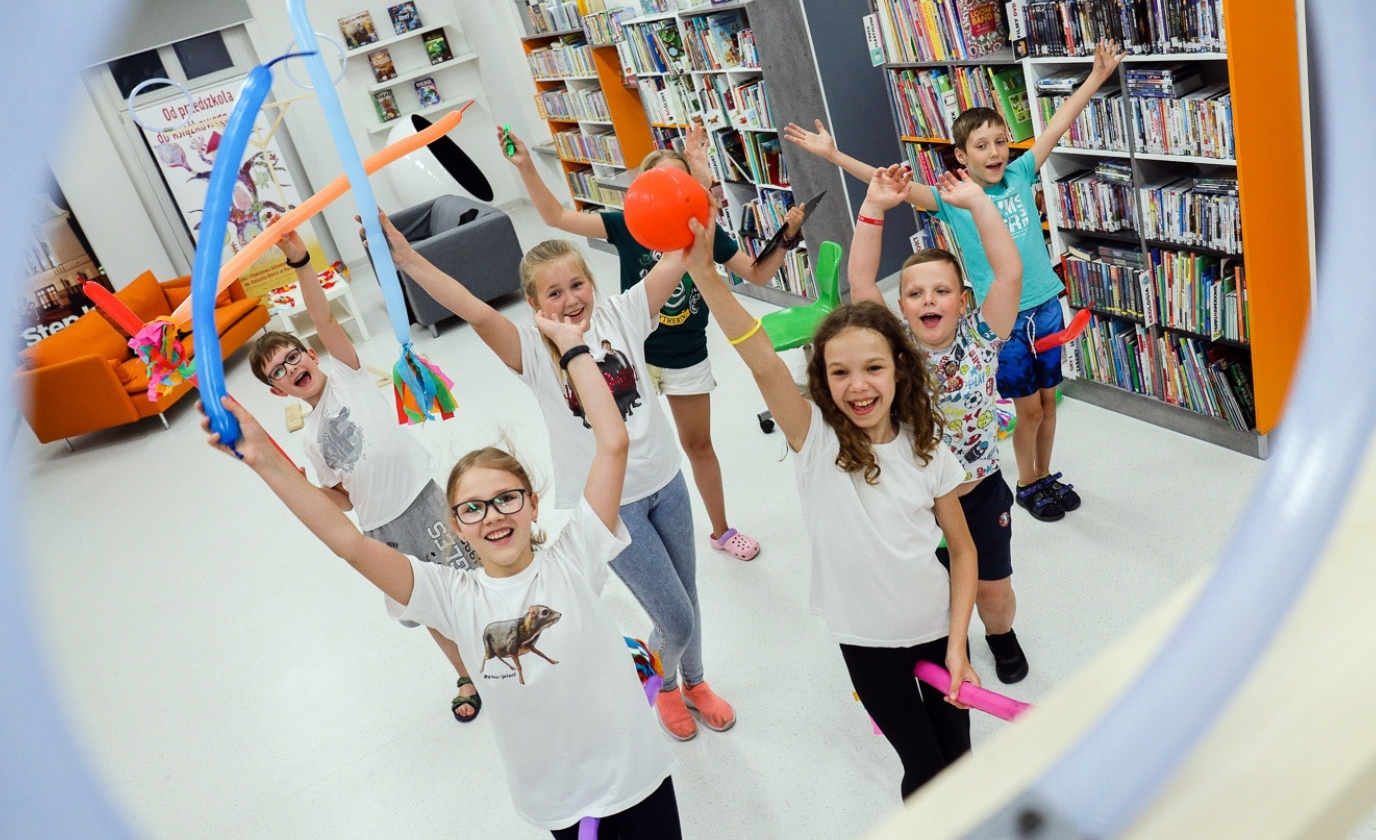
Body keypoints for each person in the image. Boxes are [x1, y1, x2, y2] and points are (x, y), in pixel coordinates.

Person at [202, 311, 761, 840]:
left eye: (506, 498)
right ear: (456, 525)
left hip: (629, 766)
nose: (492, 514)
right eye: (473, 506)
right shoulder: (450, 592)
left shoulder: (576, 550)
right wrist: (266, 461)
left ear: (530, 502)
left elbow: (611, 443)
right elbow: (347, 542)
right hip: (554, 792)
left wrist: (573, 346)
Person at [367, 210, 737, 743]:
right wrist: (405, 259)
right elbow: (469, 306)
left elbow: (679, 252)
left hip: (667, 480)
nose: (570, 301)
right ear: (536, 306)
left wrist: (694, 194)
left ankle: (695, 682)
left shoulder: (624, 313)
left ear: (593, 282)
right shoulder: (532, 354)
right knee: (674, 619)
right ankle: (664, 686)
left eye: (577, 284)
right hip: (613, 508)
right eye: (554, 294)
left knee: (688, 596)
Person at [680, 218, 982, 800]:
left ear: (899, 367)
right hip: (868, 644)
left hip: (936, 626)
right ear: (821, 380)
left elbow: (963, 550)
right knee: (923, 768)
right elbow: (761, 357)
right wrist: (705, 274)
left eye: (873, 368)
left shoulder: (929, 450)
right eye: (839, 372)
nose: (857, 386)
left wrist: (958, 642)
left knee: (960, 757)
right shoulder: (815, 439)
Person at [784, 37, 1127, 523]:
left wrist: (1095, 76)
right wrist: (835, 156)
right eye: (981, 145)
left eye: (1000, 141)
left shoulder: (1022, 172)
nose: (995, 152)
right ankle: (1027, 482)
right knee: (1027, 410)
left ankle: (1044, 473)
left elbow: (1057, 123)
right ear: (961, 157)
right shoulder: (952, 196)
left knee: (1050, 402)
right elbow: (890, 187)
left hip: (1046, 303)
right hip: (1001, 322)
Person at [500, 125, 803, 564]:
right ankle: (614, 530)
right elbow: (555, 217)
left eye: (678, 183)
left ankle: (722, 530)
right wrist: (527, 166)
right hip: (630, 357)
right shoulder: (627, 224)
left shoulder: (702, 234)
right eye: (658, 182)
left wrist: (787, 238)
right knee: (611, 441)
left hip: (684, 355)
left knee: (698, 446)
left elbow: (756, 274)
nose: (667, 192)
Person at [247, 217, 482, 723]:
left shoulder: (347, 376)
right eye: (279, 373)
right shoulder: (310, 439)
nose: (291, 370)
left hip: (425, 499)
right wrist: (307, 490)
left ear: (311, 353)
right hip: (382, 529)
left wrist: (300, 262)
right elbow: (343, 499)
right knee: (425, 603)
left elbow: (324, 319)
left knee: (471, 576)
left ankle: (504, 641)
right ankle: (465, 673)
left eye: (293, 357)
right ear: (276, 392)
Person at [845, 165, 1031, 685]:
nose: (929, 300)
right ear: (901, 305)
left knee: (993, 590)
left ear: (964, 301)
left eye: (942, 291)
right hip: (918, 499)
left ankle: (1000, 635)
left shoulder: (982, 335)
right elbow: (861, 278)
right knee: (930, 592)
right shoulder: (895, 347)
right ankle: (948, 645)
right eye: (916, 293)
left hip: (980, 492)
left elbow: (1009, 273)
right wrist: (875, 208)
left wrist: (978, 202)